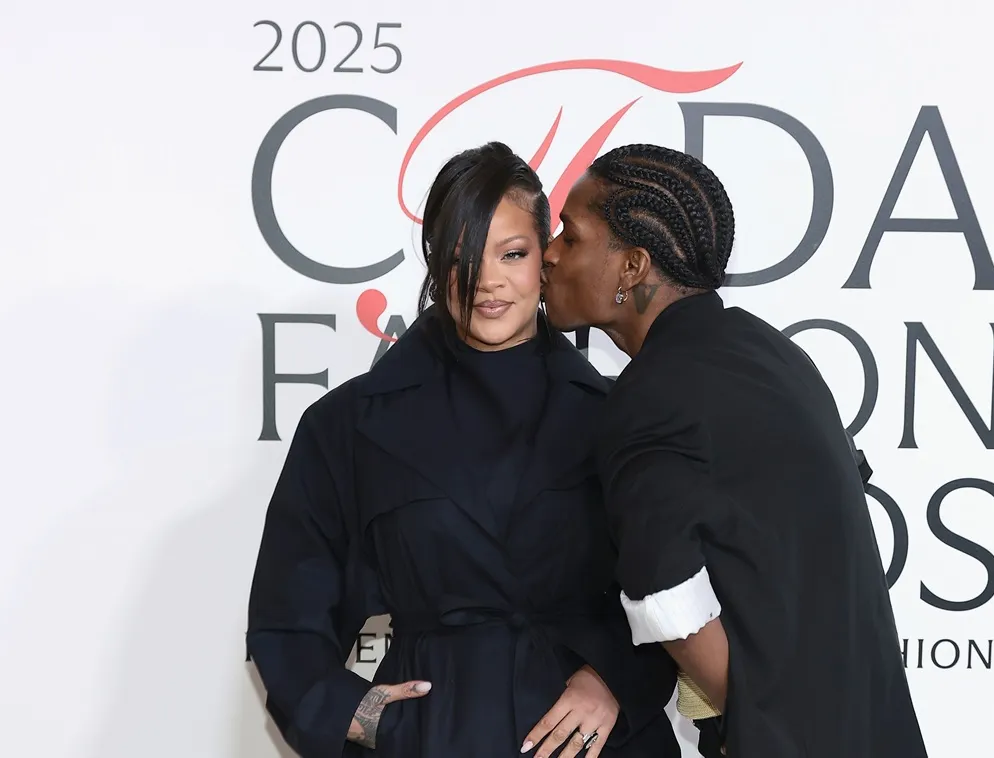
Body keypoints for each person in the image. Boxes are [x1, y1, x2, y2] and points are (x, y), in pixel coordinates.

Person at [246, 142, 680, 758]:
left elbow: (674, 585)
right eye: (460, 258)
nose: (488, 282)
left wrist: (612, 677)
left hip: (592, 743)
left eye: (513, 253)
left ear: (546, 258)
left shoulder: (617, 415)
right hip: (436, 733)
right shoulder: (349, 423)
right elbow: (285, 612)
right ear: (432, 263)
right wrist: (358, 714)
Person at [539, 143, 928, 758]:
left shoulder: (650, 395)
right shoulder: (770, 352)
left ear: (633, 266)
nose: (549, 254)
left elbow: (666, 602)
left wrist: (758, 723)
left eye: (570, 235)